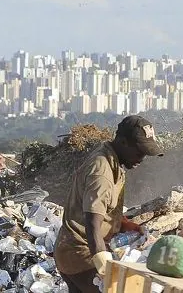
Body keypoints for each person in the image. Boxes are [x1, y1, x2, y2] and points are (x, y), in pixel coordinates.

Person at [54, 115, 163, 293]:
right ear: (122, 142)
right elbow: (92, 223)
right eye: (139, 151)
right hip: (81, 256)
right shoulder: (102, 171)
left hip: (72, 252)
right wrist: (103, 266)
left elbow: (105, 210)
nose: (142, 158)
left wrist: (128, 226)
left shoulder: (113, 161)